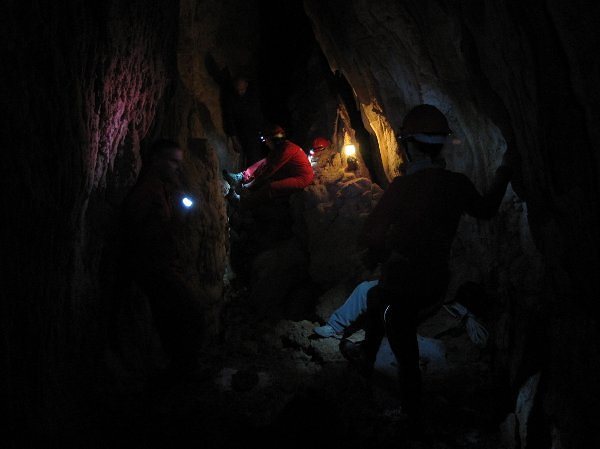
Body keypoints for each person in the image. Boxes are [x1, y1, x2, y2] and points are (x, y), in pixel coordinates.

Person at [338, 104, 514, 423]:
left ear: (411, 147)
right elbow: (487, 209)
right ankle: (369, 356)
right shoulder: (457, 183)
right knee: (377, 298)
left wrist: (385, 249)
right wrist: (504, 170)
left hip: (404, 284)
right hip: (436, 281)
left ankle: (411, 413)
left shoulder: (403, 187)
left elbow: (370, 234)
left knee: (396, 326)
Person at [122, 138, 205, 383]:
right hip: (153, 267)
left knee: (171, 318)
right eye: (173, 162)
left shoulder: (162, 188)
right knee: (190, 314)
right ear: (156, 160)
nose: (177, 168)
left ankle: (177, 371)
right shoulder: (148, 191)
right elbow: (131, 227)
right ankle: (182, 373)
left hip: (161, 264)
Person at [223, 123, 314, 210]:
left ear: (274, 140)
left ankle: (242, 203)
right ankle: (239, 177)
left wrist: (249, 185)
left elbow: (269, 171)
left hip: (302, 178)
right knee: (264, 161)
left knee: (272, 187)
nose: (266, 143)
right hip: (291, 170)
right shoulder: (281, 147)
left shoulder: (286, 150)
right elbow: (267, 164)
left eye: (266, 140)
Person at [223, 75, 265, 167]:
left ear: (246, 85)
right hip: (241, 133)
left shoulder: (252, 97)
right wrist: (234, 139)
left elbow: (258, 115)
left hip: (254, 133)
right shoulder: (231, 99)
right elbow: (229, 119)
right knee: (245, 159)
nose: (239, 92)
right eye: (237, 90)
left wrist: (263, 133)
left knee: (255, 158)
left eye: (241, 90)